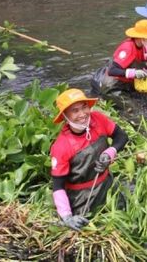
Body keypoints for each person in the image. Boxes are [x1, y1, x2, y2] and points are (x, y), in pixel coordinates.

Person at [50, 88, 129, 231]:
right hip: (82, 198)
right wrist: (67, 217)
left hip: (107, 185)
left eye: (84, 107)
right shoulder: (61, 146)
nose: (82, 114)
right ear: (65, 116)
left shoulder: (98, 119)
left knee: (122, 221)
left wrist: (110, 151)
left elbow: (121, 137)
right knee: (90, 230)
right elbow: (58, 187)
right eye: (75, 111)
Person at [90, 19, 147, 95]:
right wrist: (133, 73)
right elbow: (112, 70)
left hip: (125, 83)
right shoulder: (128, 48)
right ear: (142, 38)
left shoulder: (142, 47)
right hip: (111, 84)